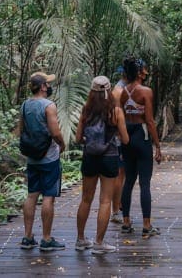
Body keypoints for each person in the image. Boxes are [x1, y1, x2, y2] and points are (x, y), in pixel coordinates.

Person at [74, 75, 130, 255]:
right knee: (105, 200)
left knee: (86, 199)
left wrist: (90, 141)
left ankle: (81, 240)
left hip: (90, 157)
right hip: (109, 157)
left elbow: (77, 138)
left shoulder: (86, 110)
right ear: (108, 90)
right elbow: (126, 139)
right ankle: (99, 243)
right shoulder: (116, 111)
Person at [19, 71, 67, 251]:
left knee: (32, 194)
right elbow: (55, 132)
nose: (49, 86)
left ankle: (27, 236)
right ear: (42, 87)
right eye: (47, 83)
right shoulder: (49, 105)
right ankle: (46, 239)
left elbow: (22, 129)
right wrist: (62, 144)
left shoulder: (25, 105)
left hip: (32, 157)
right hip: (49, 158)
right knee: (48, 196)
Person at [118, 58, 163, 238]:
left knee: (128, 180)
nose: (146, 71)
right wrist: (157, 145)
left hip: (127, 136)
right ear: (139, 72)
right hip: (141, 135)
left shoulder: (122, 93)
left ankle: (126, 222)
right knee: (144, 182)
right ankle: (146, 225)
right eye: (144, 69)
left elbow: (120, 116)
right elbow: (150, 121)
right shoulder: (146, 91)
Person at [109, 65, 127, 224]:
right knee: (118, 176)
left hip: (120, 138)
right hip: (118, 140)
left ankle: (119, 204)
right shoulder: (118, 91)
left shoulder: (124, 89)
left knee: (122, 175)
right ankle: (115, 211)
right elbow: (117, 116)